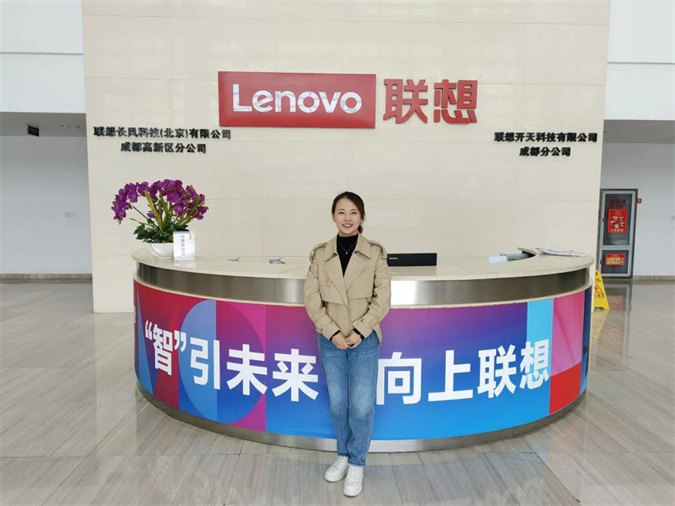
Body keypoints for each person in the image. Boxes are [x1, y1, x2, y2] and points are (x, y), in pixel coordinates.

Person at [304, 191, 391, 497]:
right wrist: (332, 333)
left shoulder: (375, 253)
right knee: (338, 404)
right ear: (333, 217)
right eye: (341, 212)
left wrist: (359, 331)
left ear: (362, 217)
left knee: (362, 405)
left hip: (363, 339)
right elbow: (311, 299)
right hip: (331, 340)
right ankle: (342, 454)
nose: (347, 218)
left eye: (353, 212)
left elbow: (382, 299)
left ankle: (357, 462)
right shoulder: (320, 254)